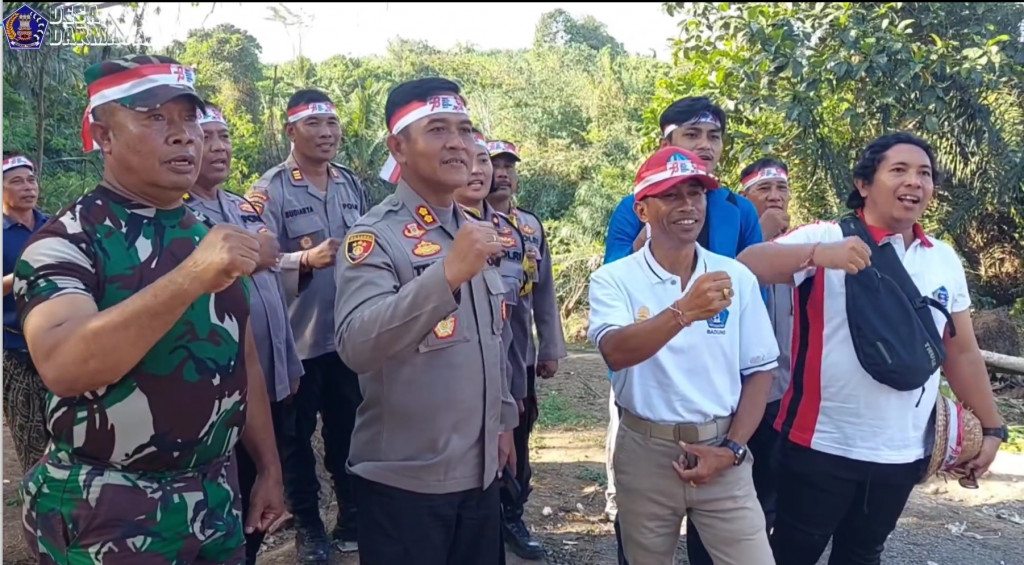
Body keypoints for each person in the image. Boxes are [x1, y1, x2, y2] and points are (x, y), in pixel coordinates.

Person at [13, 55, 284, 565]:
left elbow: (240, 360)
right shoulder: (66, 243)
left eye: (189, 119)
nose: (184, 135)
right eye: (155, 117)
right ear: (104, 135)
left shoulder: (206, 234)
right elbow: (65, 365)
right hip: (107, 510)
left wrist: (268, 467)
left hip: (213, 501)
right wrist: (190, 277)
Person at [736, 132, 1007, 565]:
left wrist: (993, 429)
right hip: (818, 444)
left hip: (903, 451)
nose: (914, 182)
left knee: (863, 553)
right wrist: (818, 255)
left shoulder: (943, 258)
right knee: (791, 551)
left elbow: (961, 352)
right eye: (898, 170)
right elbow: (748, 265)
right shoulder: (827, 236)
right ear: (864, 184)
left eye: (924, 174)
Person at [334, 76, 518, 565]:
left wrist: (503, 424)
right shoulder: (374, 237)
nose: (458, 143)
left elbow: (491, 337)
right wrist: (448, 273)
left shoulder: (477, 230)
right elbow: (356, 343)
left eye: (465, 129)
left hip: (478, 477)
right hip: (405, 484)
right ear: (399, 147)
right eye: (438, 130)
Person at [588, 146, 779, 565]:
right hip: (645, 451)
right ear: (643, 209)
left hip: (721, 450)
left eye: (696, 193)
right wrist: (684, 311)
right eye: (671, 195)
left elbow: (760, 370)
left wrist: (731, 449)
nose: (688, 205)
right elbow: (615, 352)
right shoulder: (613, 280)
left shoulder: (736, 277)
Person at [246, 89, 369, 561]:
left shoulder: (349, 184)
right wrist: (305, 259)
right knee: (294, 438)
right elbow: (257, 261)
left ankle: (351, 514)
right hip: (296, 341)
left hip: (346, 335)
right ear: (290, 130)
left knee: (348, 429)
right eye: (314, 125)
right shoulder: (270, 188)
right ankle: (309, 527)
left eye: (332, 124)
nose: (327, 134)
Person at [184, 104, 305, 565]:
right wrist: (259, 253)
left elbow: (271, 284)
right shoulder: (178, 216)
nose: (219, 147)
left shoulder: (239, 206)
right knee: (226, 489)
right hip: (217, 389)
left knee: (265, 480)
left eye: (225, 137)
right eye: (208, 137)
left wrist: (290, 365)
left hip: (269, 378)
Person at [486, 138, 567, 560]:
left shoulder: (530, 226)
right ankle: (486, 518)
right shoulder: (463, 222)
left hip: (520, 353)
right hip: (481, 354)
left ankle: (513, 515)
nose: (502, 173)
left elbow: (545, 293)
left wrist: (550, 346)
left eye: (508, 166)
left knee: (518, 436)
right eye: (493, 164)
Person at [738, 157, 795, 532]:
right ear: (745, 197)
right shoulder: (731, 237)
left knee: (777, 483)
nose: (775, 197)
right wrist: (760, 234)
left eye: (782, 189)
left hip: (789, 391)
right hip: (740, 389)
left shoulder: (808, 245)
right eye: (764, 189)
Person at [2, 152, 51, 473]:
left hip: (61, 343)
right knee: (31, 442)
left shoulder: (54, 226)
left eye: (31, 179)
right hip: (19, 352)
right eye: (16, 181)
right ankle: (37, 512)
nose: (27, 187)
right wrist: (17, 276)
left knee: (74, 436)